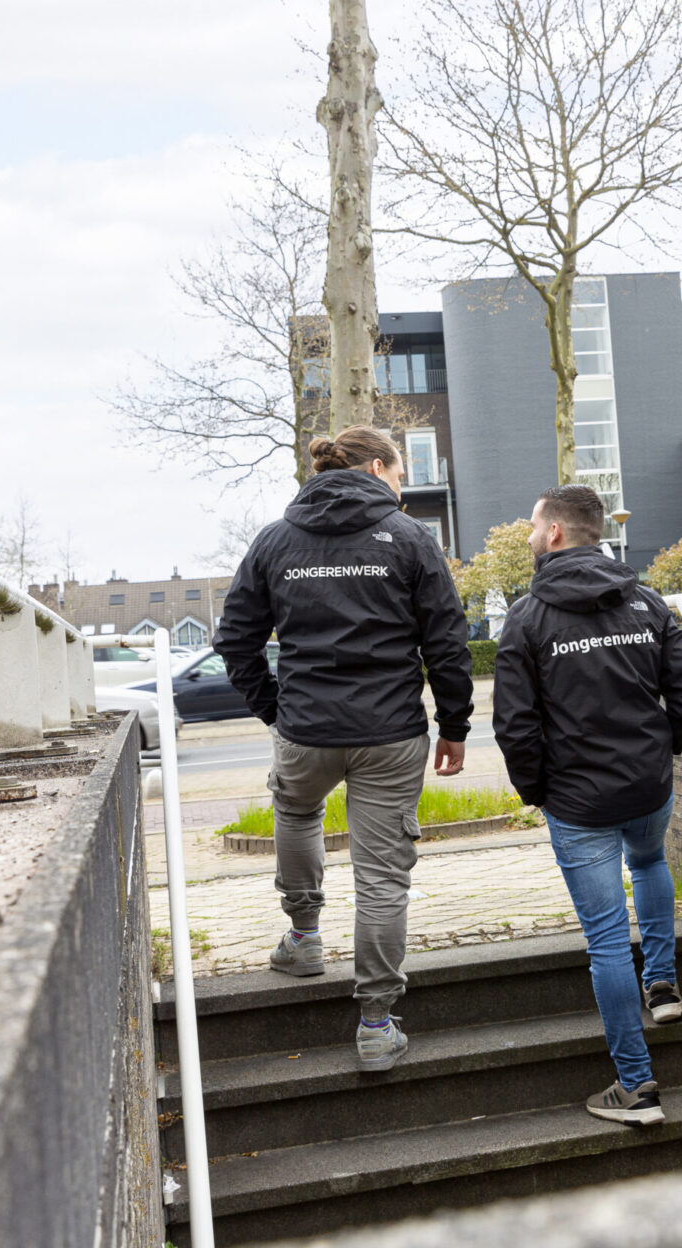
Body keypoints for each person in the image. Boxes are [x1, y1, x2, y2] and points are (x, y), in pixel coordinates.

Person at [213, 426, 474, 1073]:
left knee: (297, 815)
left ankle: (303, 939)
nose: (402, 488)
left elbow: (235, 639)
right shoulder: (410, 540)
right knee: (382, 876)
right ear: (379, 467)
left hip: (306, 733)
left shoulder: (276, 540)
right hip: (390, 733)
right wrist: (455, 724)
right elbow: (446, 639)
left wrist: (277, 710)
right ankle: (376, 1024)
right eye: (398, 474)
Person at [493, 484, 682, 1127]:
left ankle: (638, 1088)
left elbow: (514, 726)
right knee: (649, 864)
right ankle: (664, 987)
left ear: (556, 532)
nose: (531, 536)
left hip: (579, 803)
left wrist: (540, 791)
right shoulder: (646, 601)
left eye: (534, 526)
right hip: (648, 788)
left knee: (608, 940)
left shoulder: (526, 617)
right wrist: (657, 756)